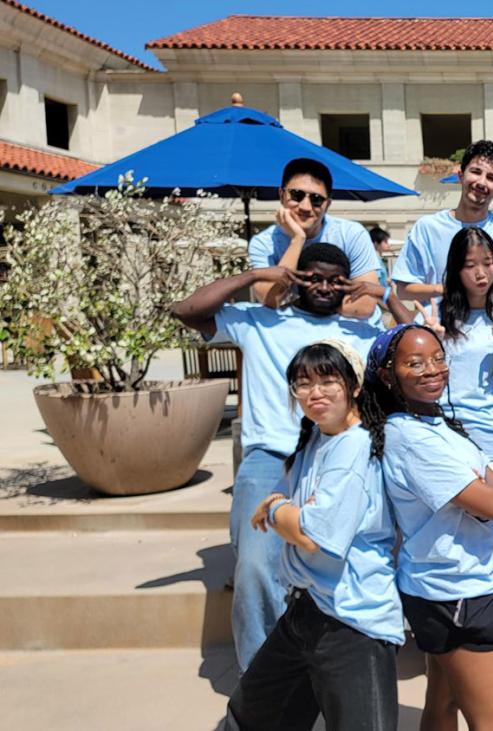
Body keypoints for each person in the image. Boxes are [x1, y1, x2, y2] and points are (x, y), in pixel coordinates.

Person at [171, 243, 411, 671]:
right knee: (257, 568)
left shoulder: (360, 331)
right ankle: (262, 678)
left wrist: (383, 292)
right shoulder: (259, 320)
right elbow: (186, 311)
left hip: (337, 451)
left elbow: (416, 347)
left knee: (335, 559)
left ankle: (323, 664)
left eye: (335, 280)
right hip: (273, 456)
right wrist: (254, 278)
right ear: (297, 277)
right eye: (313, 276)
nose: (324, 286)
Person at [221, 341, 402, 731]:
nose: (314, 393)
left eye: (327, 381)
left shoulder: (353, 449)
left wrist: (274, 510)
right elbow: (293, 506)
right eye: (302, 384)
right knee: (249, 717)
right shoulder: (317, 437)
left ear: (354, 386)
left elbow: (310, 535)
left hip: (352, 624)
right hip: (306, 612)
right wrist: (285, 507)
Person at [366, 324, 493, 731]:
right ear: (387, 375)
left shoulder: (434, 423)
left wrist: (485, 483)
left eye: (437, 358)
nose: (432, 369)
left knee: (442, 701)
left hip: (446, 585)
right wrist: (486, 484)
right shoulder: (411, 438)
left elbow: (488, 486)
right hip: (458, 589)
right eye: (414, 363)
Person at [420, 226, 493, 629]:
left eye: (487, 263)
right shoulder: (437, 316)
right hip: (446, 443)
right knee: (453, 538)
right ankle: (453, 621)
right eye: (470, 265)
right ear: (455, 270)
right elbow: (422, 385)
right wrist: (432, 344)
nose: (480, 273)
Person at [392, 139, 493, 300]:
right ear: (460, 176)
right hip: (442, 323)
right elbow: (403, 289)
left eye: (491, 178)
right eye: (476, 172)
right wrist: (451, 289)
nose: (481, 182)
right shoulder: (427, 228)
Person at [248, 157, 384, 320]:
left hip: (349, 328)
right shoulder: (263, 243)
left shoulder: (352, 234)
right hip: (295, 331)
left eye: (316, 199)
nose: (305, 206)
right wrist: (297, 240)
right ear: (281, 195)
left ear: (327, 204)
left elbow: (364, 305)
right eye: (297, 195)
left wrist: (301, 308)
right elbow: (270, 299)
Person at [370, 225, 392, 293]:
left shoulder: (378, 259)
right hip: (380, 299)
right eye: (385, 242)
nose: (388, 244)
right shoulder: (374, 260)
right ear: (376, 243)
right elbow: (376, 282)